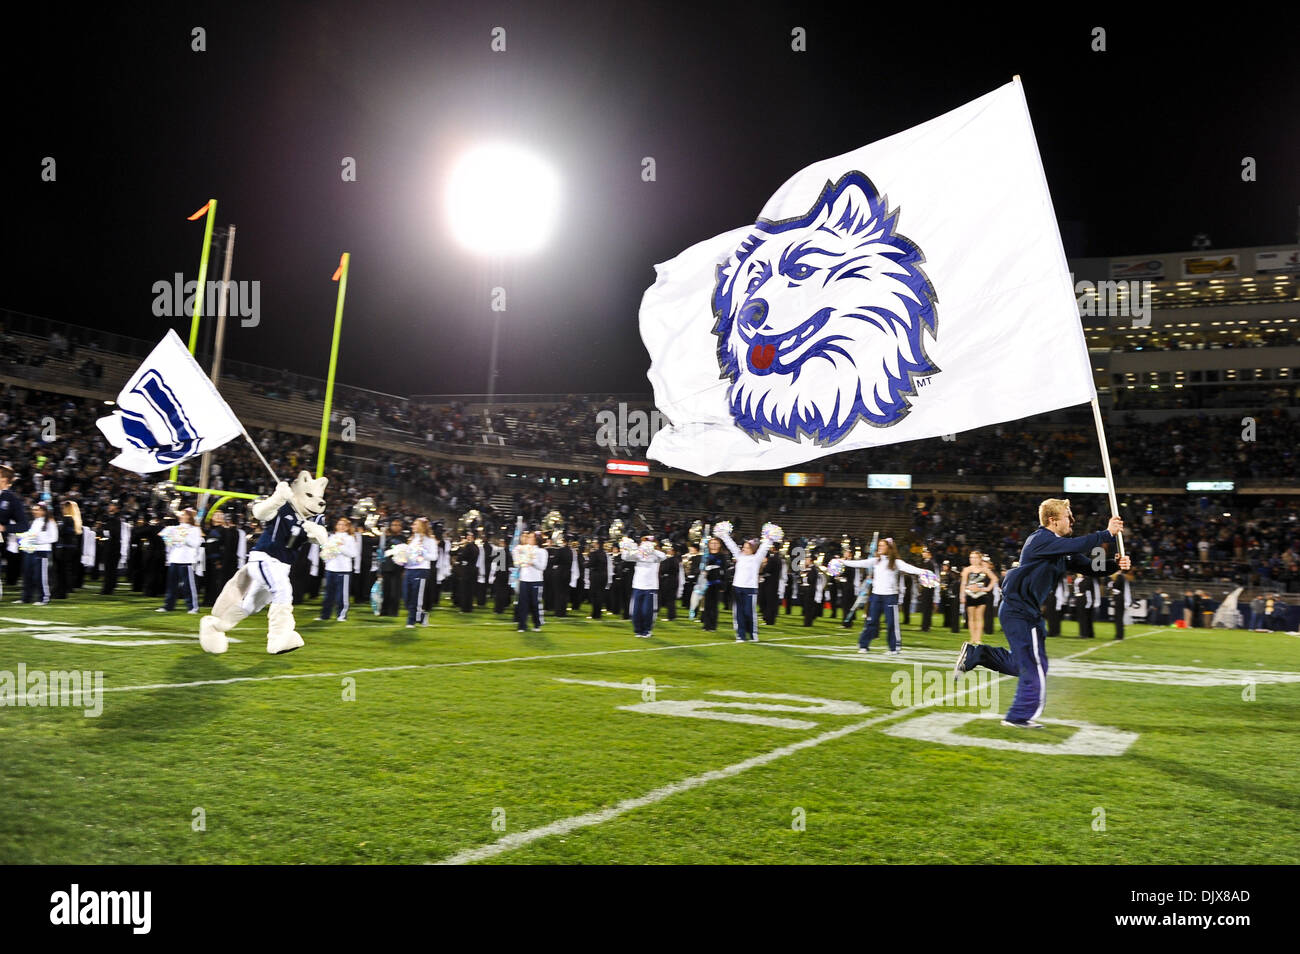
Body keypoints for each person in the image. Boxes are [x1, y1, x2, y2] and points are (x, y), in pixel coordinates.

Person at [956, 499, 1129, 728]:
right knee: (1034, 665)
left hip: (1026, 611)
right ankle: (1018, 716)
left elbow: (1091, 567)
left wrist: (1115, 564)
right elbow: (1079, 544)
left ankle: (978, 655)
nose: (1073, 520)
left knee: (1024, 665)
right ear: (1053, 520)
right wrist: (1106, 533)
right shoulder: (1040, 540)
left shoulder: (1060, 546)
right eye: (1068, 516)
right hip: (1019, 610)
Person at [843, 538, 927, 654]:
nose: (880, 547)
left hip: (890, 596)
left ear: (889, 548)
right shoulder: (876, 561)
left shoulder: (896, 562)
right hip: (876, 596)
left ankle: (894, 648)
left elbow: (909, 568)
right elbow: (860, 563)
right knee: (871, 621)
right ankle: (863, 645)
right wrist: (843, 562)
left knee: (892, 623)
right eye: (879, 545)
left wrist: (923, 572)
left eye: (883, 545)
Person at [715, 526, 772, 642]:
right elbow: (731, 546)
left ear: (753, 549)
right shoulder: (739, 556)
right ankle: (740, 635)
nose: (744, 549)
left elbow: (764, 548)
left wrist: (770, 538)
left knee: (749, 612)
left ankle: (752, 634)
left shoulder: (756, 558)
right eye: (744, 547)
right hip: (737, 588)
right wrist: (724, 535)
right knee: (738, 613)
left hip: (750, 589)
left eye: (747, 548)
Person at [158, 509, 202, 613]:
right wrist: (170, 539)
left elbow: (196, 544)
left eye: (184, 514)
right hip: (174, 559)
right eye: (181, 514)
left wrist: (184, 538)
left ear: (189, 516)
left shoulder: (194, 529)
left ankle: (193, 607)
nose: (181, 516)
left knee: (188, 586)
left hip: (186, 560)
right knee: (171, 585)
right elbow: (166, 541)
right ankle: (168, 606)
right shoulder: (174, 528)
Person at [623, 536, 667, 638]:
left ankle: (647, 630)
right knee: (636, 610)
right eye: (644, 542)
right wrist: (626, 547)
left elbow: (664, 556)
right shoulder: (638, 554)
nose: (646, 544)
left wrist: (653, 551)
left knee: (647, 610)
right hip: (637, 585)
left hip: (651, 587)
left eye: (648, 542)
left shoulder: (656, 556)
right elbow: (625, 557)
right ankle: (638, 630)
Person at [319, 517, 360, 621]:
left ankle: (341, 615)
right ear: (336, 526)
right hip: (330, 569)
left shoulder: (350, 538)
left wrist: (340, 547)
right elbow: (326, 551)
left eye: (343, 525)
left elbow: (353, 554)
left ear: (347, 527)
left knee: (342, 595)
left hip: (344, 570)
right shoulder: (331, 537)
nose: (341, 526)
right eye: (339, 524)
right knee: (328, 594)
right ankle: (324, 616)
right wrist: (326, 558)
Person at [20, 503, 59, 604]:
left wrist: (39, 539)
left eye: (37, 510)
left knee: (40, 576)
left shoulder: (50, 522)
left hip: (42, 552)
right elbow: (31, 536)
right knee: (28, 575)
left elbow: (54, 538)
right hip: (30, 550)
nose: (34, 511)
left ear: (44, 511)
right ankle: (26, 598)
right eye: (34, 509)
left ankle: (44, 598)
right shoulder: (35, 521)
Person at [959, 549, 997, 645]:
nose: (973, 559)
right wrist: (962, 595)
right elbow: (963, 584)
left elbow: (994, 578)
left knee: (979, 617)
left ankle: (978, 638)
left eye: (975, 557)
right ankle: (972, 638)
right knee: (971, 618)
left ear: (980, 559)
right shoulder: (967, 569)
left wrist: (987, 588)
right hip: (970, 595)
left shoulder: (984, 569)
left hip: (981, 595)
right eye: (971, 557)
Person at [403, 518, 435, 628]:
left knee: (416, 597)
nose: (412, 526)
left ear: (422, 526)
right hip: (409, 570)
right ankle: (421, 616)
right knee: (406, 597)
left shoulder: (429, 540)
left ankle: (411, 621)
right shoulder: (412, 539)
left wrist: (422, 553)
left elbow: (434, 556)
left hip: (421, 570)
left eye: (415, 524)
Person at [513, 531, 547, 631]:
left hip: (536, 580)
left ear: (536, 539)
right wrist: (518, 558)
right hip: (524, 579)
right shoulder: (523, 549)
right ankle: (522, 625)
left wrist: (532, 561)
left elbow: (542, 566)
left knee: (535, 603)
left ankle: (537, 624)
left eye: (531, 537)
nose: (528, 538)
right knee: (522, 603)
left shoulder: (542, 551)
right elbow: (517, 563)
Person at [378, 519, 406, 616]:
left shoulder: (403, 538)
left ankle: (393, 611)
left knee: (395, 591)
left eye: (398, 525)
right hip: (386, 567)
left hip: (397, 568)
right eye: (393, 525)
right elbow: (381, 552)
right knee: (386, 591)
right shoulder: (385, 537)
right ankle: (384, 611)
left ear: (401, 527)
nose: (395, 526)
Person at [698, 537, 726, 632]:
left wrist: (723, 584)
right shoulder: (706, 555)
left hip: (716, 583)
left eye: (716, 543)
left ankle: (713, 625)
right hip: (706, 583)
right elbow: (701, 568)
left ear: (719, 545)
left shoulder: (722, 556)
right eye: (712, 543)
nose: (714, 545)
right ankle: (706, 624)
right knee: (706, 605)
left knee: (714, 605)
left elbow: (725, 571)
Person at [657, 541, 680, 623]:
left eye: (670, 549)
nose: (668, 551)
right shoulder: (667, 559)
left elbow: (672, 570)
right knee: (667, 599)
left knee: (670, 600)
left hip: (671, 581)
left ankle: (671, 616)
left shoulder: (674, 559)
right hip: (666, 580)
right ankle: (670, 615)